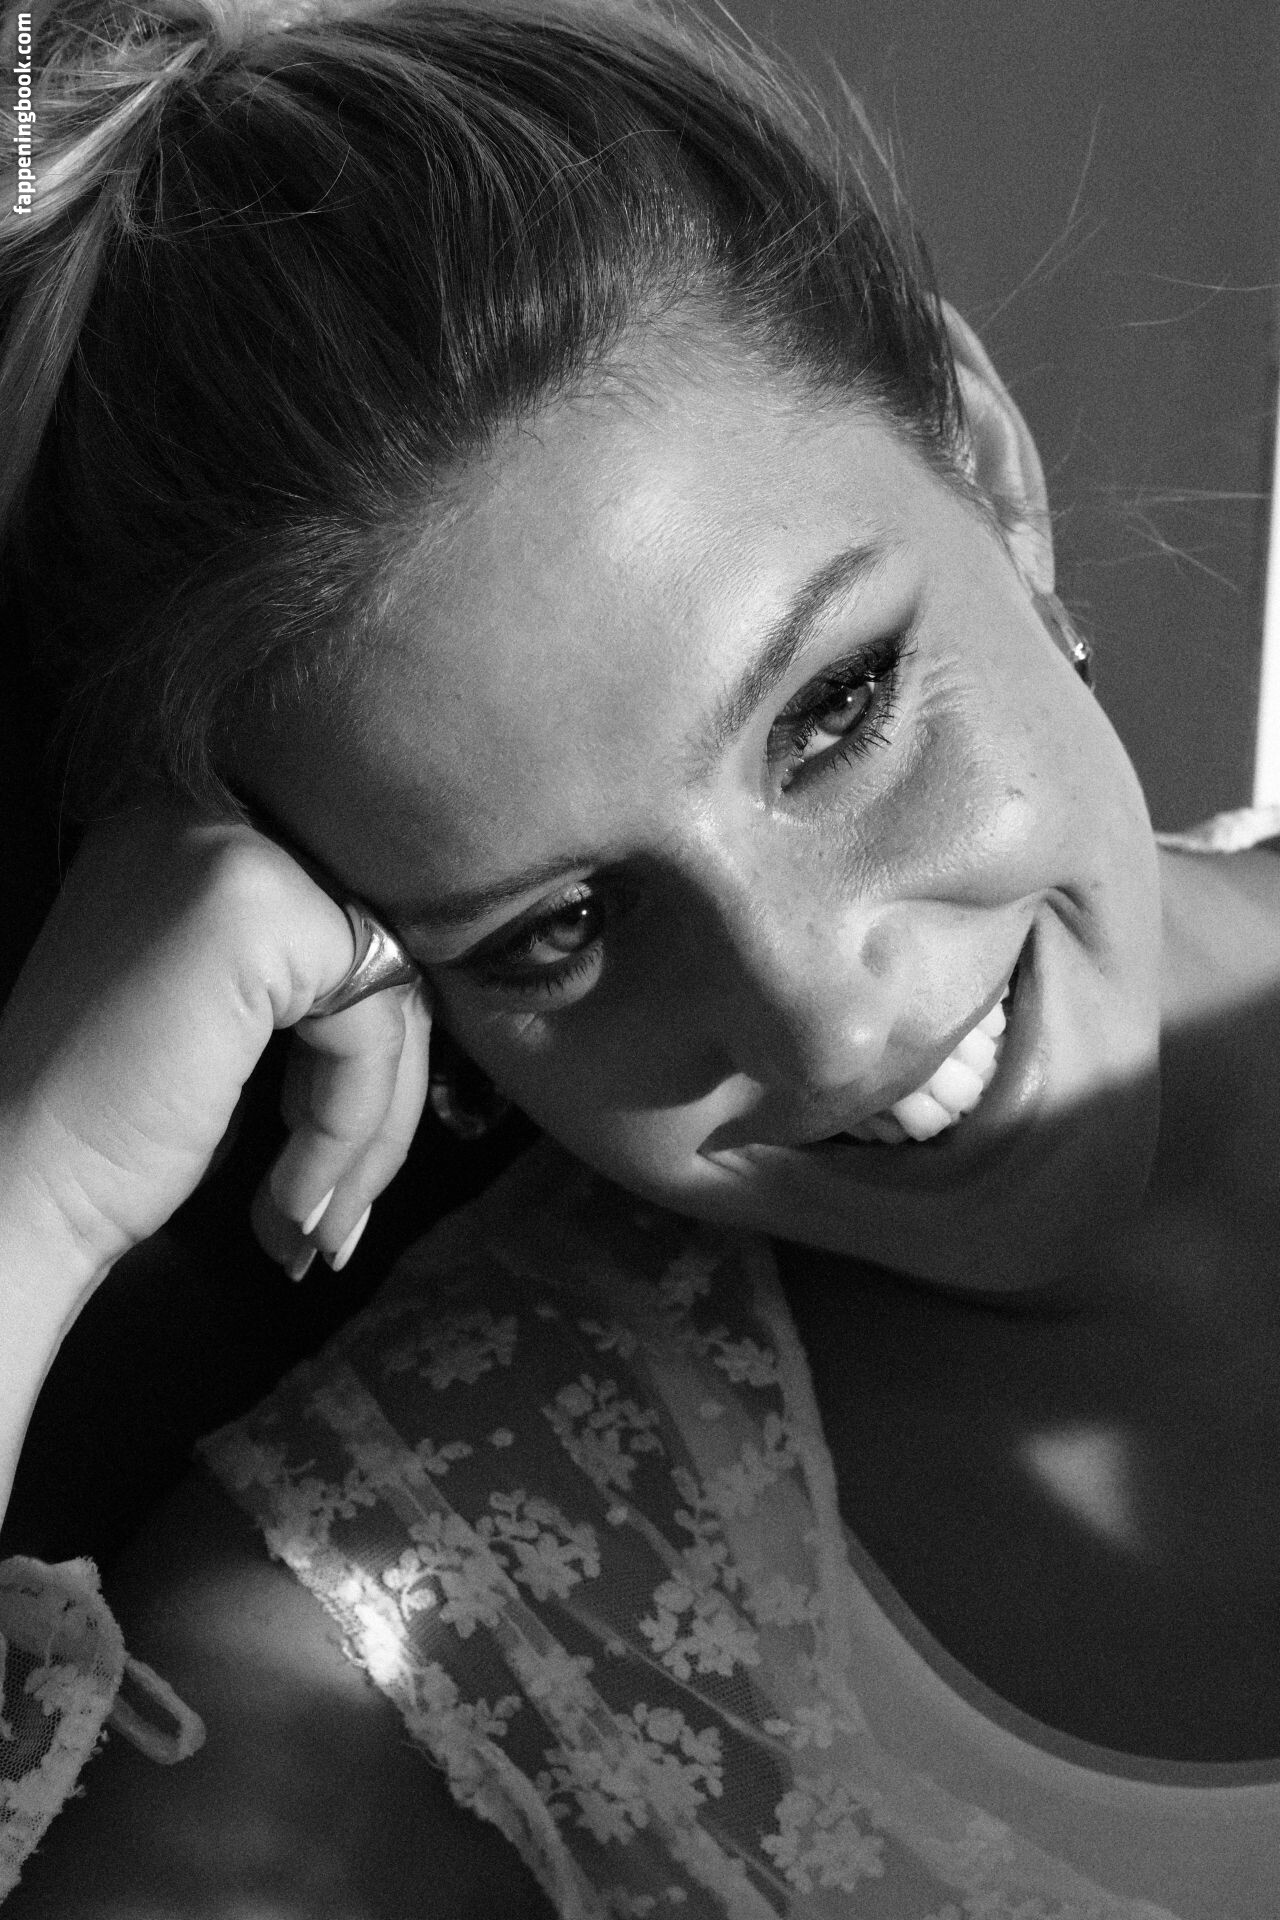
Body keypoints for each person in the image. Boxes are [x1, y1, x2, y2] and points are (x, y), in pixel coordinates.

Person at [2, 0, 1279, 1911]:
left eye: (837, 711)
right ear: (384, 975)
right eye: (559, 929)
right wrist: (37, 1191)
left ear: (985, 464)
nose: (827, 1021)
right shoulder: (435, 1617)